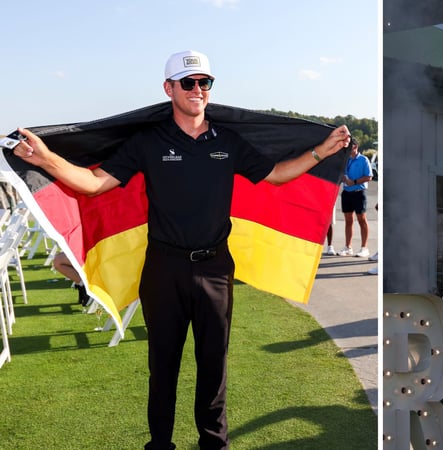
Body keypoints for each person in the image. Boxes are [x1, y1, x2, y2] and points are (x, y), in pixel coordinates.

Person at [13, 50, 350, 450]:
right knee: (163, 368)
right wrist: (46, 158)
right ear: (169, 88)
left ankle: (214, 445)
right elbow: (93, 183)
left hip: (215, 269)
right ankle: (160, 445)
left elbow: (276, 175)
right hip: (164, 269)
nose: (197, 90)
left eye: (204, 82)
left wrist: (320, 153)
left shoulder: (228, 141)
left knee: (214, 368)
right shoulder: (148, 142)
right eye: (188, 83)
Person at [337, 138, 372, 257]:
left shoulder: (363, 160)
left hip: (359, 192)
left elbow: (369, 176)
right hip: (346, 192)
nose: (347, 148)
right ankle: (348, 247)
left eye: (349, 146)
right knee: (348, 220)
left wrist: (354, 181)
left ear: (355, 146)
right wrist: (343, 178)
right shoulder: (345, 159)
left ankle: (364, 248)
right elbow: (341, 173)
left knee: (361, 220)